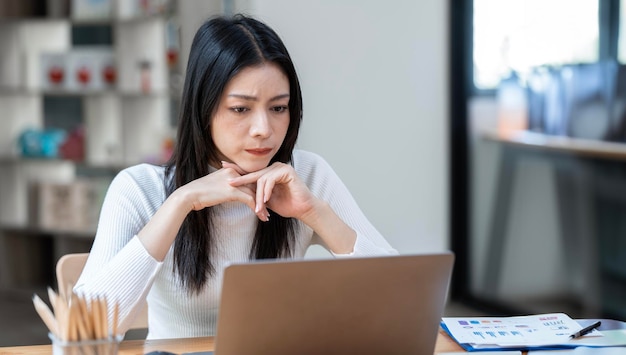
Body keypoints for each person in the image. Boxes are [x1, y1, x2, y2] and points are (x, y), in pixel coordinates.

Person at [74, 14, 397, 339]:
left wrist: (313, 212)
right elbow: (85, 330)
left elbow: (399, 293)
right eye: (241, 109)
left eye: (278, 108)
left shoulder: (306, 175)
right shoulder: (140, 189)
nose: (264, 130)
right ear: (203, 109)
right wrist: (180, 203)